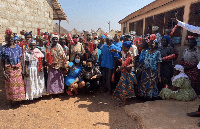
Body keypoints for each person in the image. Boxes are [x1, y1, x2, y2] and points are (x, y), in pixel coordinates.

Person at [0, 29, 26, 105]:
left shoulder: (18, 47)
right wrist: (3, 72)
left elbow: (21, 59)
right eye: (8, 39)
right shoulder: (3, 48)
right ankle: (11, 101)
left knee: (19, 85)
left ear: (14, 40)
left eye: (11, 39)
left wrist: (23, 69)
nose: (10, 40)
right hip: (9, 69)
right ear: (6, 40)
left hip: (18, 69)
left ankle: (19, 100)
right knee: (10, 85)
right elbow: (2, 61)